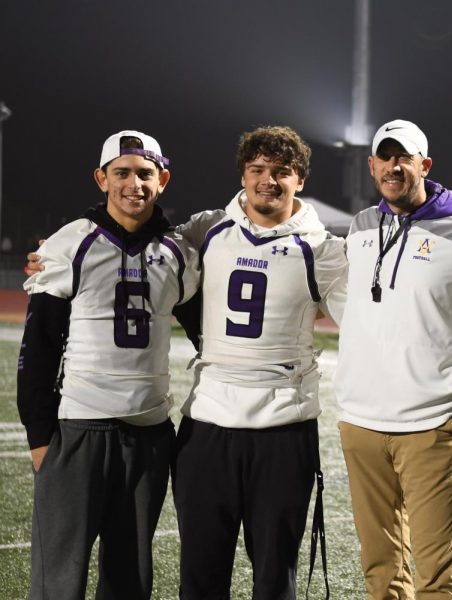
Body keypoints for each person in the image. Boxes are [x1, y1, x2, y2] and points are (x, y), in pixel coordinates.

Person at [16, 130, 199, 599]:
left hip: (150, 433)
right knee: (58, 579)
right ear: (101, 178)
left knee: (130, 579)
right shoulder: (70, 244)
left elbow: (208, 332)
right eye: (121, 173)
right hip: (80, 429)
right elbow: (38, 350)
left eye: (144, 174)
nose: (132, 184)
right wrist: (41, 439)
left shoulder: (180, 254)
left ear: (163, 180)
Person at [171, 126, 346, 599]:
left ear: (300, 180)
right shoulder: (207, 230)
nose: (268, 180)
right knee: (200, 578)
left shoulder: (324, 250)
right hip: (207, 425)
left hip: (283, 430)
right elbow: (141, 256)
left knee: (274, 579)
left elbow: (372, 320)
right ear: (244, 175)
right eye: (258, 170)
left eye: (282, 172)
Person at [335, 119, 452, 599]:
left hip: (430, 423)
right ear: (372, 166)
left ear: (423, 165)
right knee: (381, 570)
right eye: (384, 158)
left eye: (403, 157)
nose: (393, 166)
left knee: (439, 574)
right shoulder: (362, 225)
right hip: (361, 421)